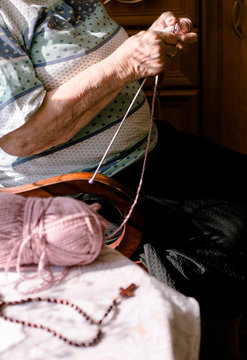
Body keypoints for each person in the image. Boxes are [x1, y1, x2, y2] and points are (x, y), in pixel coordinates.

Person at [0, 1, 246, 359]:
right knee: (237, 233)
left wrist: (152, 40)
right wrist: (127, 62)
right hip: (88, 188)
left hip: (150, 150)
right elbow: (22, 137)